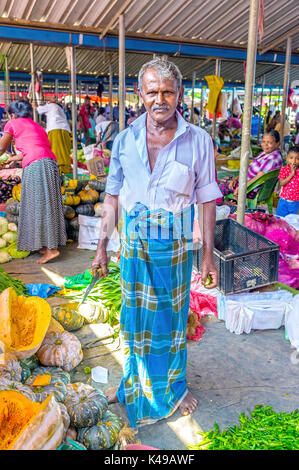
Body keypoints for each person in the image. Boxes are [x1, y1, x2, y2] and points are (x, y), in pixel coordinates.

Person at [91, 57, 221, 429]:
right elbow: (113, 196)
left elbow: (207, 200)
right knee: (132, 319)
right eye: (152, 92)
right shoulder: (125, 140)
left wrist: (208, 257)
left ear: (179, 93)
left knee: (170, 321)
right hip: (134, 246)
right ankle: (130, 381)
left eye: (167, 91)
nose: (160, 99)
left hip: (175, 247)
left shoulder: (198, 140)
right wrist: (102, 247)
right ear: (140, 94)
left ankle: (173, 389)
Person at [0, 100, 66, 263]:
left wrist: (4, 156)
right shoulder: (37, 126)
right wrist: (13, 159)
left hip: (36, 165)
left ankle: (51, 249)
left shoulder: (12, 123)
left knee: (36, 205)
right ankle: (45, 245)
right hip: (50, 163)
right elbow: (35, 147)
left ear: (13, 115)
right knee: (48, 204)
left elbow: (1, 148)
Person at [219, 130, 283, 200]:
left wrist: (241, 187)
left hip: (251, 190)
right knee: (225, 180)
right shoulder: (266, 154)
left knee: (220, 187)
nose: (265, 145)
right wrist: (236, 178)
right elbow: (249, 170)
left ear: (277, 144)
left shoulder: (272, 159)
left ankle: (221, 205)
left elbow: (259, 177)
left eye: (269, 142)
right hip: (247, 184)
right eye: (263, 141)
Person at [35, 96, 72, 174]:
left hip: (56, 130)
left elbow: (38, 110)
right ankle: (65, 169)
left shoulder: (51, 106)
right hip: (65, 130)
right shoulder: (59, 108)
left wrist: (33, 105)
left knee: (57, 152)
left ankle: (60, 171)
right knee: (64, 152)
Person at [276, 146, 299, 217]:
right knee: (280, 219)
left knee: (291, 221)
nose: (294, 161)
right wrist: (292, 174)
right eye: (291, 158)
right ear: (287, 159)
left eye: (297, 158)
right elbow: (282, 183)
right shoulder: (284, 169)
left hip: (295, 202)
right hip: (283, 200)